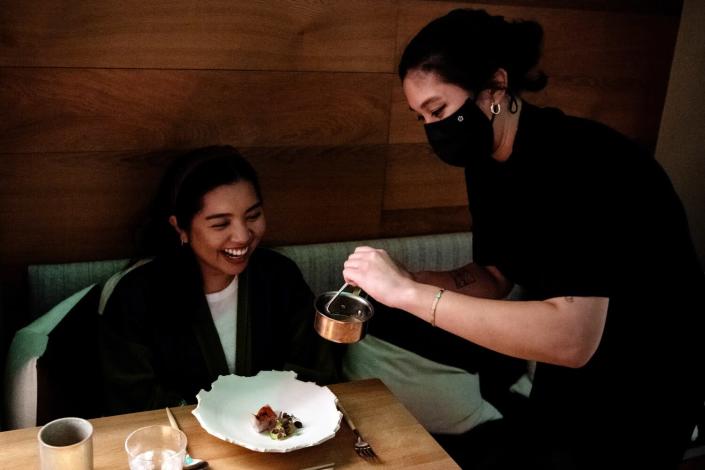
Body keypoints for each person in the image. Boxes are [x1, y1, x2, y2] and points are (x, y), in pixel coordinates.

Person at [341, 8, 705, 470]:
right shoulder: (487, 162)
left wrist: (410, 294)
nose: (433, 130)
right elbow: (493, 276)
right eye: (420, 118)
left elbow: (574, 338)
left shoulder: (583, 163)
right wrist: (399, 279)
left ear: (495, 84)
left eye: (438, 110)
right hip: (568, 376)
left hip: (650, 378)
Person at [100, 145, 340, 415]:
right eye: (220, 224)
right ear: (180, 227)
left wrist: (271, 420)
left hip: (280, 439)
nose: (242, 236)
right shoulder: (138, 295)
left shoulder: (280, 277)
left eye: (253, 216)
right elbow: (132, 397)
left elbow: (312, 368)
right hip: (182, 448)